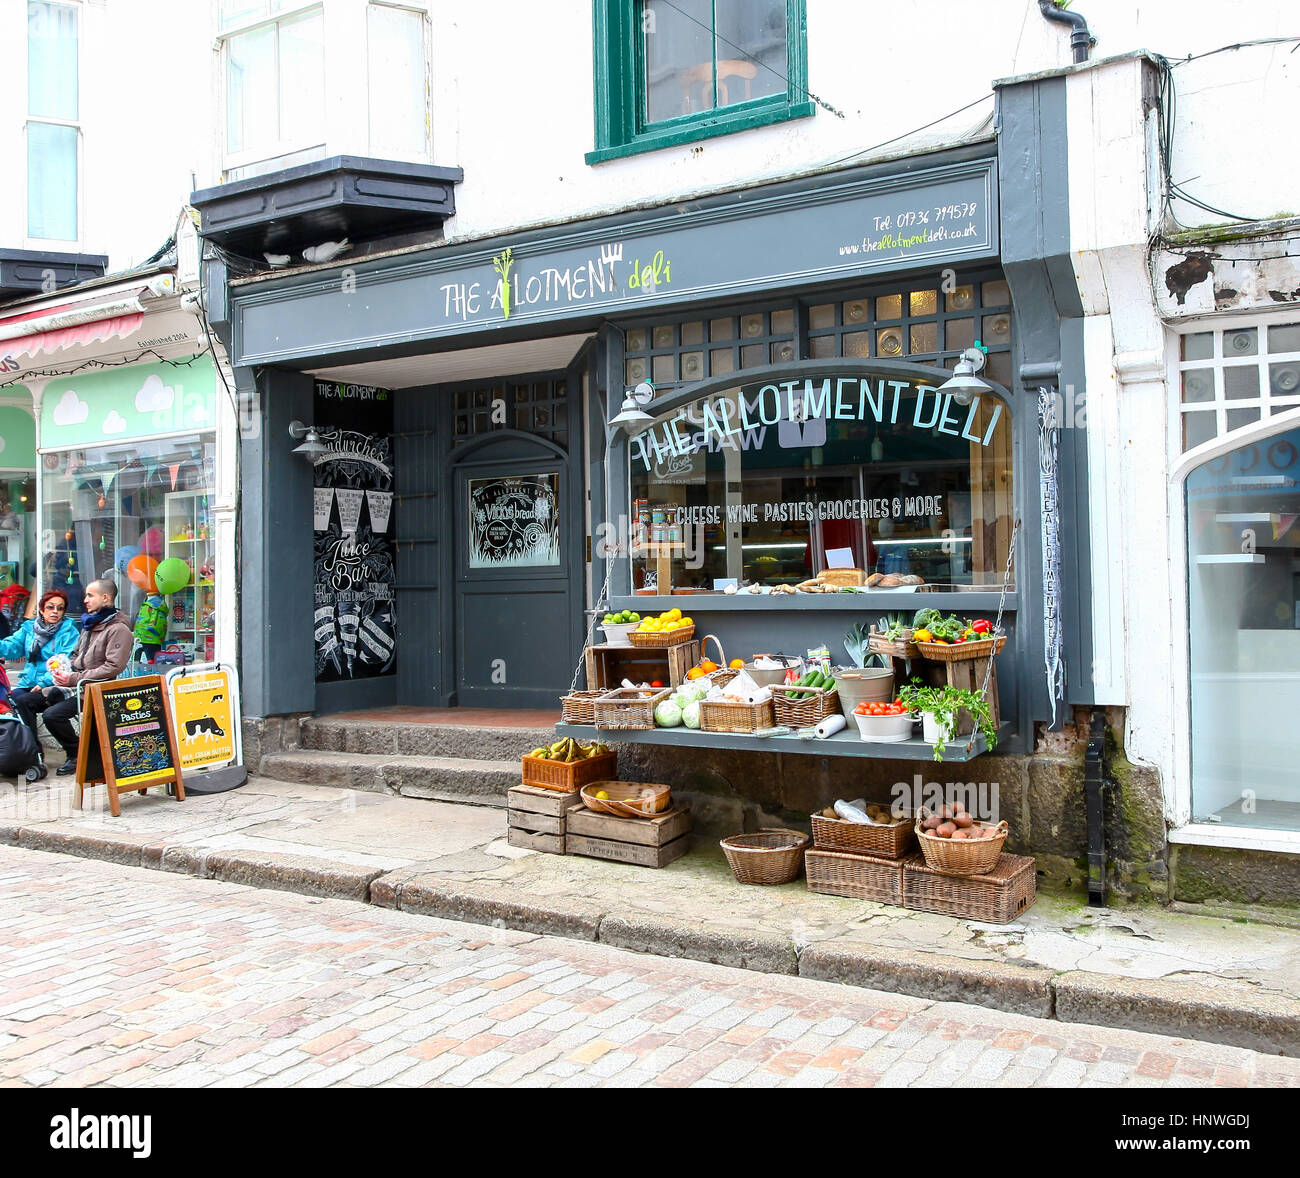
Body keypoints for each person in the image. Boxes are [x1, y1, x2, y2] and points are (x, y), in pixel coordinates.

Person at [44, 578, 134, 775]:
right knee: (29, 699)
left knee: (52, 715)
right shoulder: (90, 624)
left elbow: (113, 667)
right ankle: (32, 755)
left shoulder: (119, 629)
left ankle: (77, 754)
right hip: (79, 684)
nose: (85, 600)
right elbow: (76, 655)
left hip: (99, 689)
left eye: (90, 595)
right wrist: (64, 670)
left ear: (105, 598)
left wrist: (75, 678)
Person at [0, 589, 81, 739]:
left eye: (60, 608)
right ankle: (23, 747)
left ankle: (33, 750)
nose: (55, 611)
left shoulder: (69, 631)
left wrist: (44, 683)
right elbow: (12, 646)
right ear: (42, 609)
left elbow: (64, 662)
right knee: (8, 701)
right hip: (28, 682)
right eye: (50, 607)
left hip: (55, 685)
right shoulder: (29, 628)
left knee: (22, 701)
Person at [133, 590, 168, 663]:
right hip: (155, 639)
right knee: (153, 661)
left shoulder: (150, 606)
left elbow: (143, 622)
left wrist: (137, 634)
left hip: (146, 638)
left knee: (146, 663)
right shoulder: (159, 606)